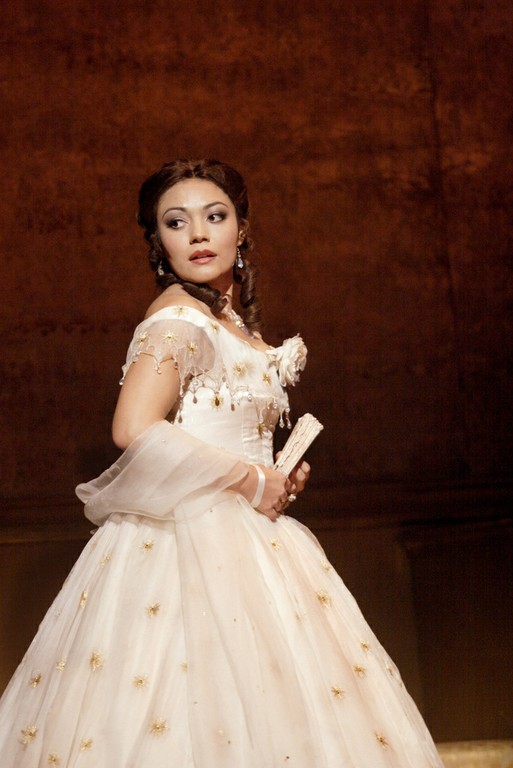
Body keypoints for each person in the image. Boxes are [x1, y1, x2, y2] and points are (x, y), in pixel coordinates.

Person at [0, 159, 443, 767]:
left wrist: (276, 474)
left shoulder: (227, 320)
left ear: (242, 227)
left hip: (252, 540)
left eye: (214, 216)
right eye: (176, 222)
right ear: (159, 241)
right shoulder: (178, 318)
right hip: (187, 542)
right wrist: (251, 478)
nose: (198, 234)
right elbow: (133, 428)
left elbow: (223, 428)